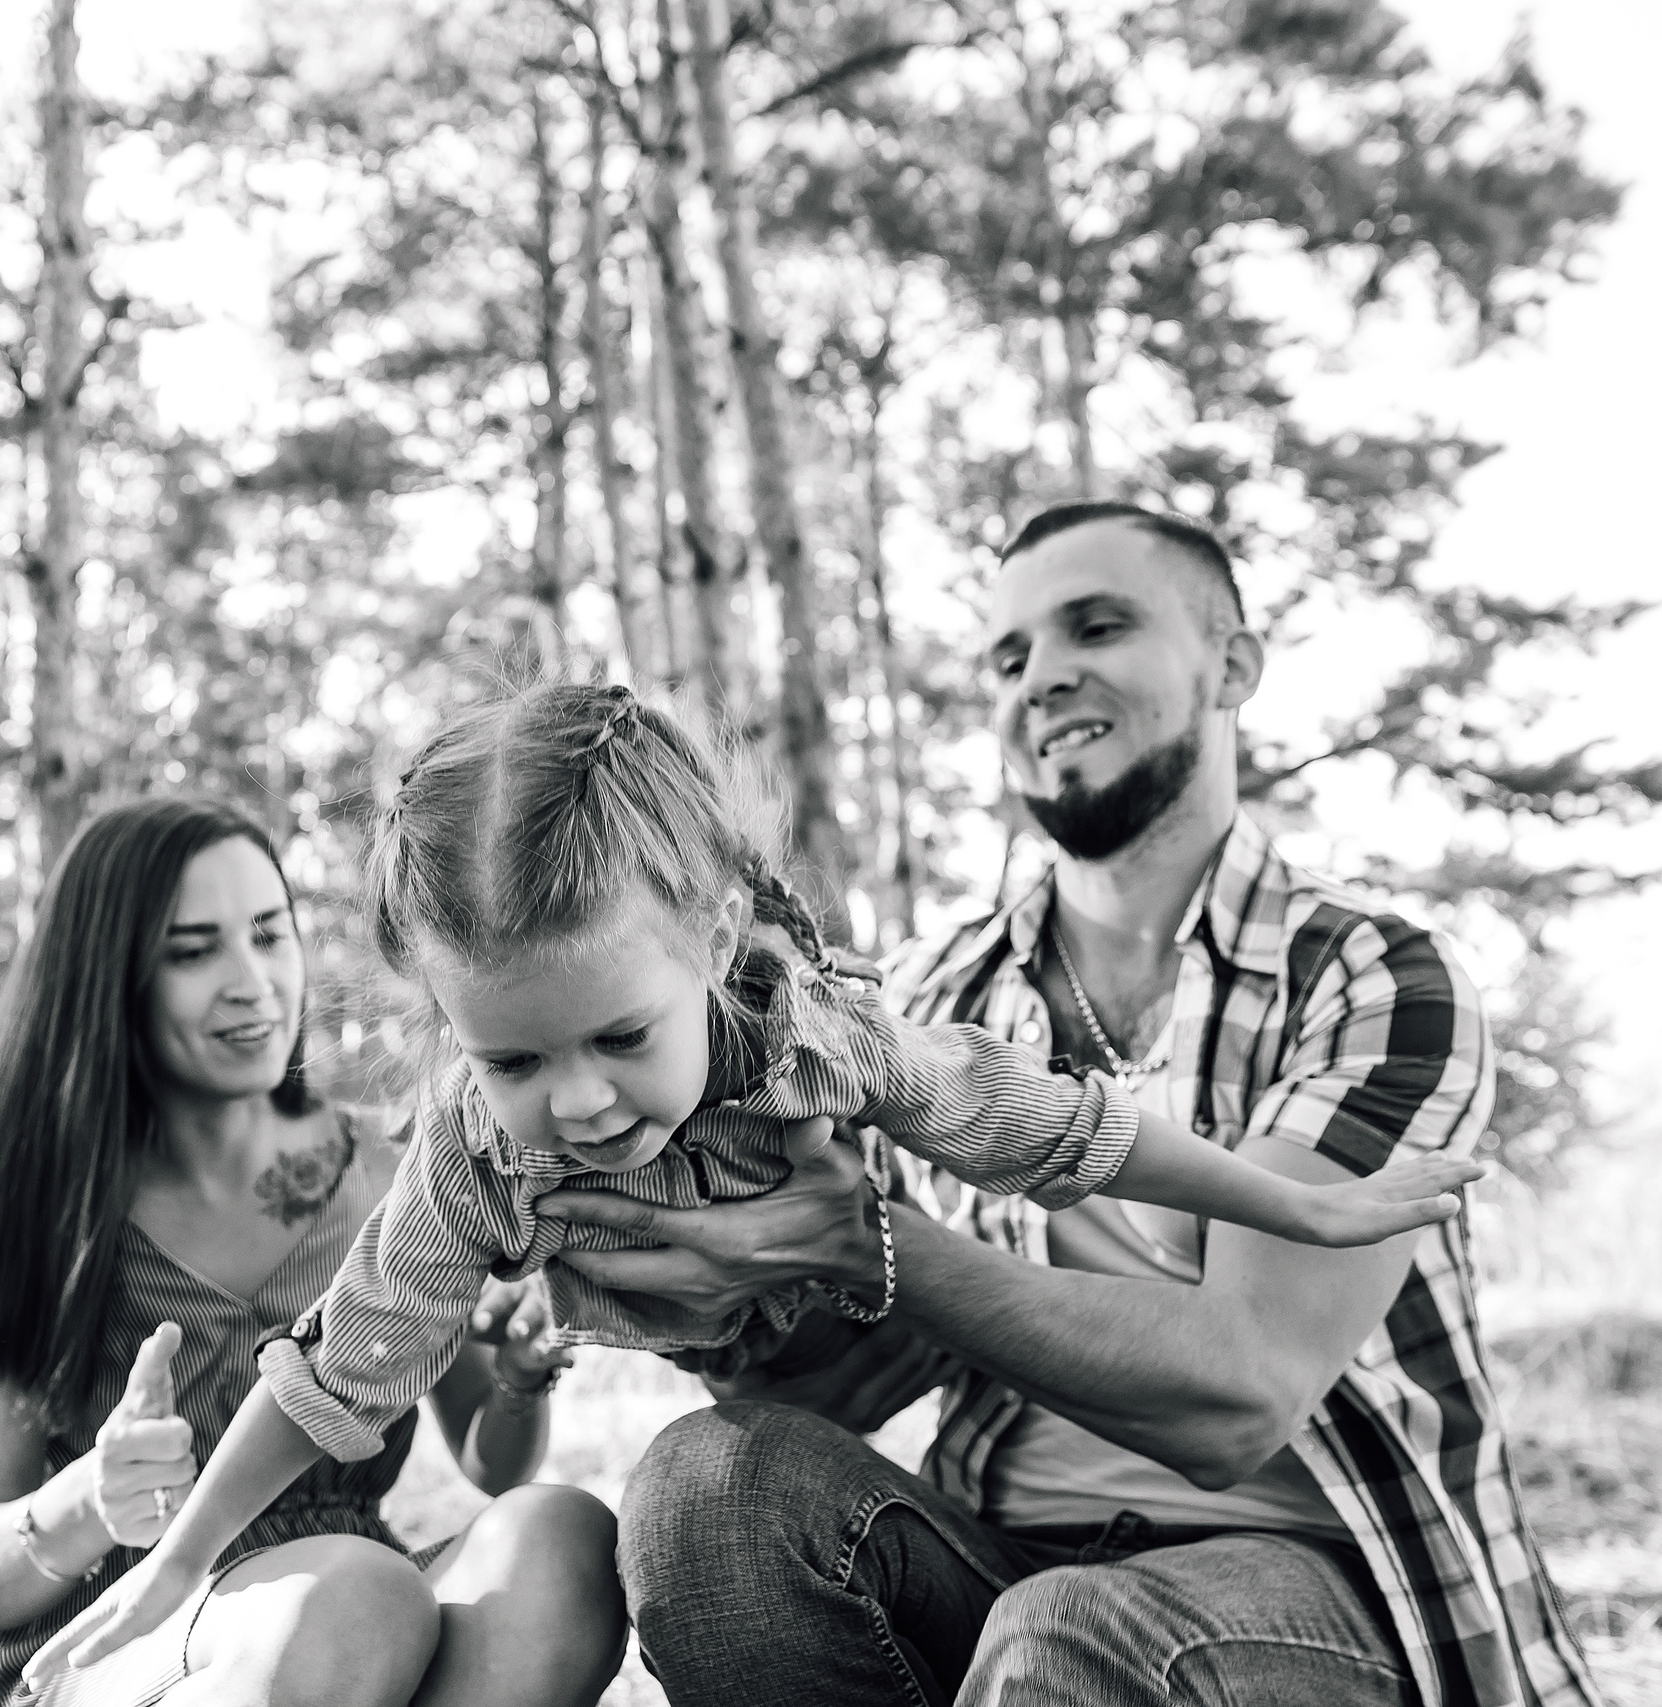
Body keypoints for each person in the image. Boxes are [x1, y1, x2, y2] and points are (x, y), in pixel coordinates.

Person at [26, 682, 1483, 1686]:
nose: (580, 1099)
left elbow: (1047, 1125)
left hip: (1258, 1573)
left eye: (620, 1037)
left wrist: (1288, 1201)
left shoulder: (813, 1036)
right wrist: (173, 1567)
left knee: (1060, 1629)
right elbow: (340, 1367)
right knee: (695, 1493)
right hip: (847, 1432)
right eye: (518, 1055)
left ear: (715, 939)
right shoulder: (477, 1146)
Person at [544, 505, 1607, 1707]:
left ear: (1231, 666)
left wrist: (871, 1242)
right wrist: (684, 1269)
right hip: (1004, 1565)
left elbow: (1239, 1398)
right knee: (709, 1492)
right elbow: (834, 1385)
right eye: (1008, 658)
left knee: (1069, 1633)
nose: (1043, 678)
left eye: (1095, 627)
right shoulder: (936, 999)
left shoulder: (1368, 975)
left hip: (1329, 1605)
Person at [0, 796, 625, 1707]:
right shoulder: (40, 1206)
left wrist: (513, 1378)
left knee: (558, 1541)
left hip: (357, 1640)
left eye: (269, 934)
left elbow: (488, 1463)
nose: (253, 980)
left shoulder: (398, 1174)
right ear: (110, 977)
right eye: (194, 951)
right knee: (348, 1593)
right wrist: (91, 1500)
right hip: (113, 1651)